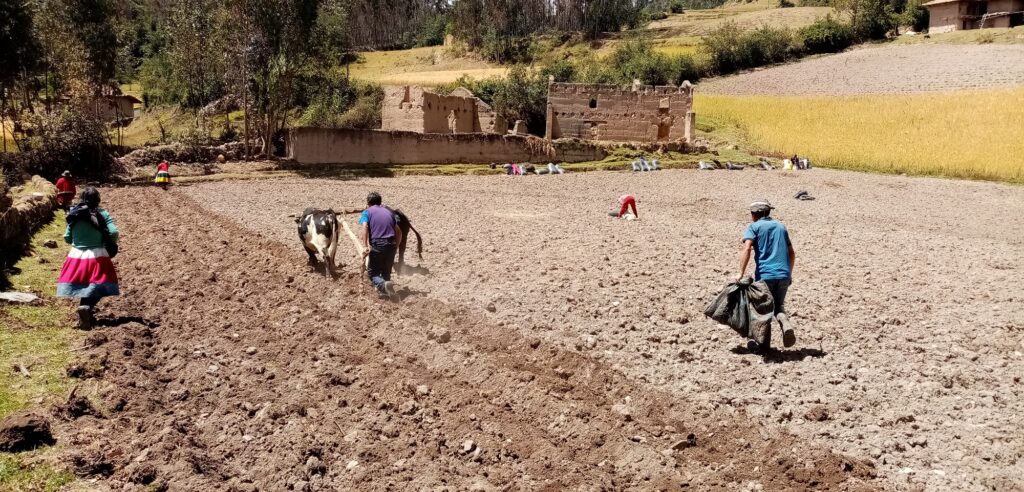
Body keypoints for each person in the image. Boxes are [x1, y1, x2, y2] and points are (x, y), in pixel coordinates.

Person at [57, 187, 120, 330]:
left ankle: (85, 312)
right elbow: (114, 232)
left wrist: (79, 240)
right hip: (97, 255)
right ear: (98, 199)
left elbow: (67, 237)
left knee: (85, 286)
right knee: (102, 285)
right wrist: (108, 241)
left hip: (76, 256)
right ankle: (86, 307)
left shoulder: (74, 213)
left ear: (82, 198)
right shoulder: (102, 214)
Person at [738, 199, 796, 352]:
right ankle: (785, 322)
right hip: (784, 275)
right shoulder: (781, 227)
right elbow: (791, 253)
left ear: (755, 214)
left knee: (762, 311)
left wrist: (740, 273)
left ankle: (763, 347)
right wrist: (789, 274)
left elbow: (747, 249)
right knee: (778, 306)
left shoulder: (754, 227)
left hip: (765, 275)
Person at [361, 192, 402, 299]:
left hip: (378, 244)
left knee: (372, 273)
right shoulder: (389, 212)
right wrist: (396, 246)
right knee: (386, 272)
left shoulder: (367, 212)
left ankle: (382, 285)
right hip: (391, 244)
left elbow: (365, 227)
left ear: (368, 203)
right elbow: (398, 231)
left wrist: (365, 245)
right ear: (380, 202)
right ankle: (387, 293)